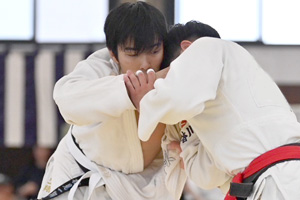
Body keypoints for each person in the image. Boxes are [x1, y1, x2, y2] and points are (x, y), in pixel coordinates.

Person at [125, 20, 300, 200]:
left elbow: (176, 100)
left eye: (168, 75)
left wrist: (144, 101)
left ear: (187, 49)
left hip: (282, 179)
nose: (165, 84)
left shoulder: (206, 46)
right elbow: (207, 177)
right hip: (270, 181)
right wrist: (187, 145)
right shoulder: (225, 98)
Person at [37, 2, 179, 200]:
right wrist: (129, 91)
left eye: (154, 51)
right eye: (132, 53)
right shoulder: (100, 66)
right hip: (83, 174)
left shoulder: (175, 70)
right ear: (114, 53)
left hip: (147, 185)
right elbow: (66, 100)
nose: (145, 63)